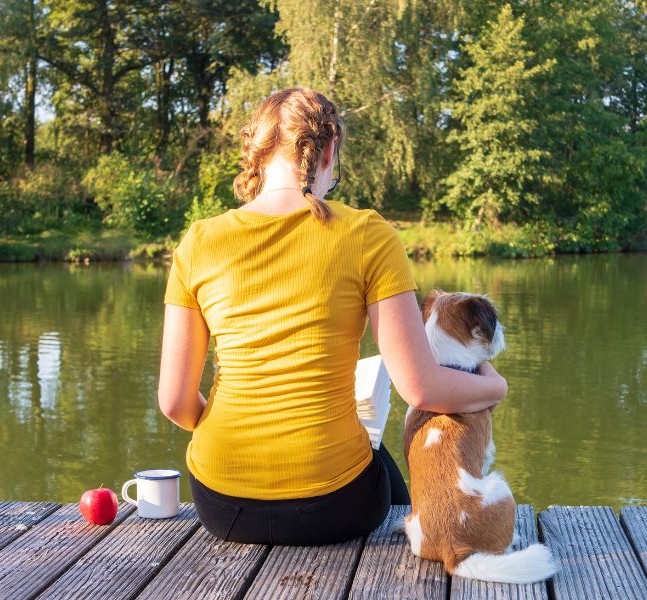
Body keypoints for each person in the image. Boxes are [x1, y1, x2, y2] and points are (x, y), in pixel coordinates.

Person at [158, 87, 508, 546]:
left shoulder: (199, 241)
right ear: (328, 153)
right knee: (386, 469)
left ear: (258, 158)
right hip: (334, 506)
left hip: (222, 506)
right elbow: (421, 388)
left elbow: (174, 403)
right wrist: (495, 386)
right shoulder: (368, 234)